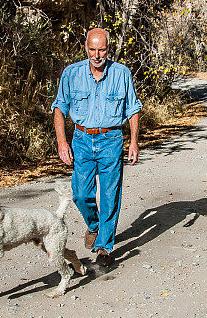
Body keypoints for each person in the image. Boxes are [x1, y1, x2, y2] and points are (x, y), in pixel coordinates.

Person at [51, 28, 142, 268]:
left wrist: (133, 141)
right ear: (85, 47)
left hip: (111, 140)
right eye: (92, 49)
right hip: (81, 139)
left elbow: (132, 109)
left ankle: (104, 246)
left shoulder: (121, 73)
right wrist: (62, 142)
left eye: (101, 49)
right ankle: (94, 225)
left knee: (110, 194)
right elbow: (59, 108)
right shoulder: (72, 73)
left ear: (108, 48)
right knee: (80, 194)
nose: (97, 54)